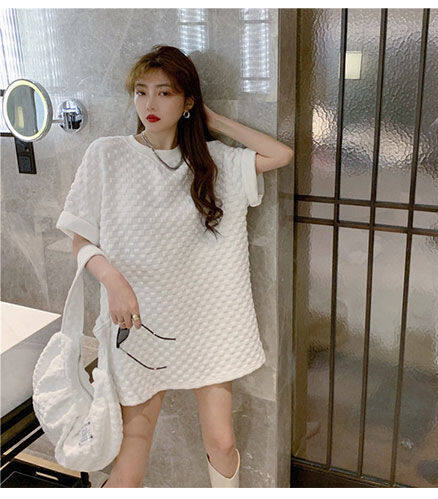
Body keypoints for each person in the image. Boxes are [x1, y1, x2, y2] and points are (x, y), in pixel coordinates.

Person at [56, 45, 293, 488]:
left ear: (187, 102)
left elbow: (281, 155)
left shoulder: (214, 162)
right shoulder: (107, 155)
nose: (150, 103)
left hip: (206, 323)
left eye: (164, 93)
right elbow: (80, 238)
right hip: (140, 319)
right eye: (141, 91)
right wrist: (113, 281)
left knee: (222, 441)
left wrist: (213, 121)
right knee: (132, 455)